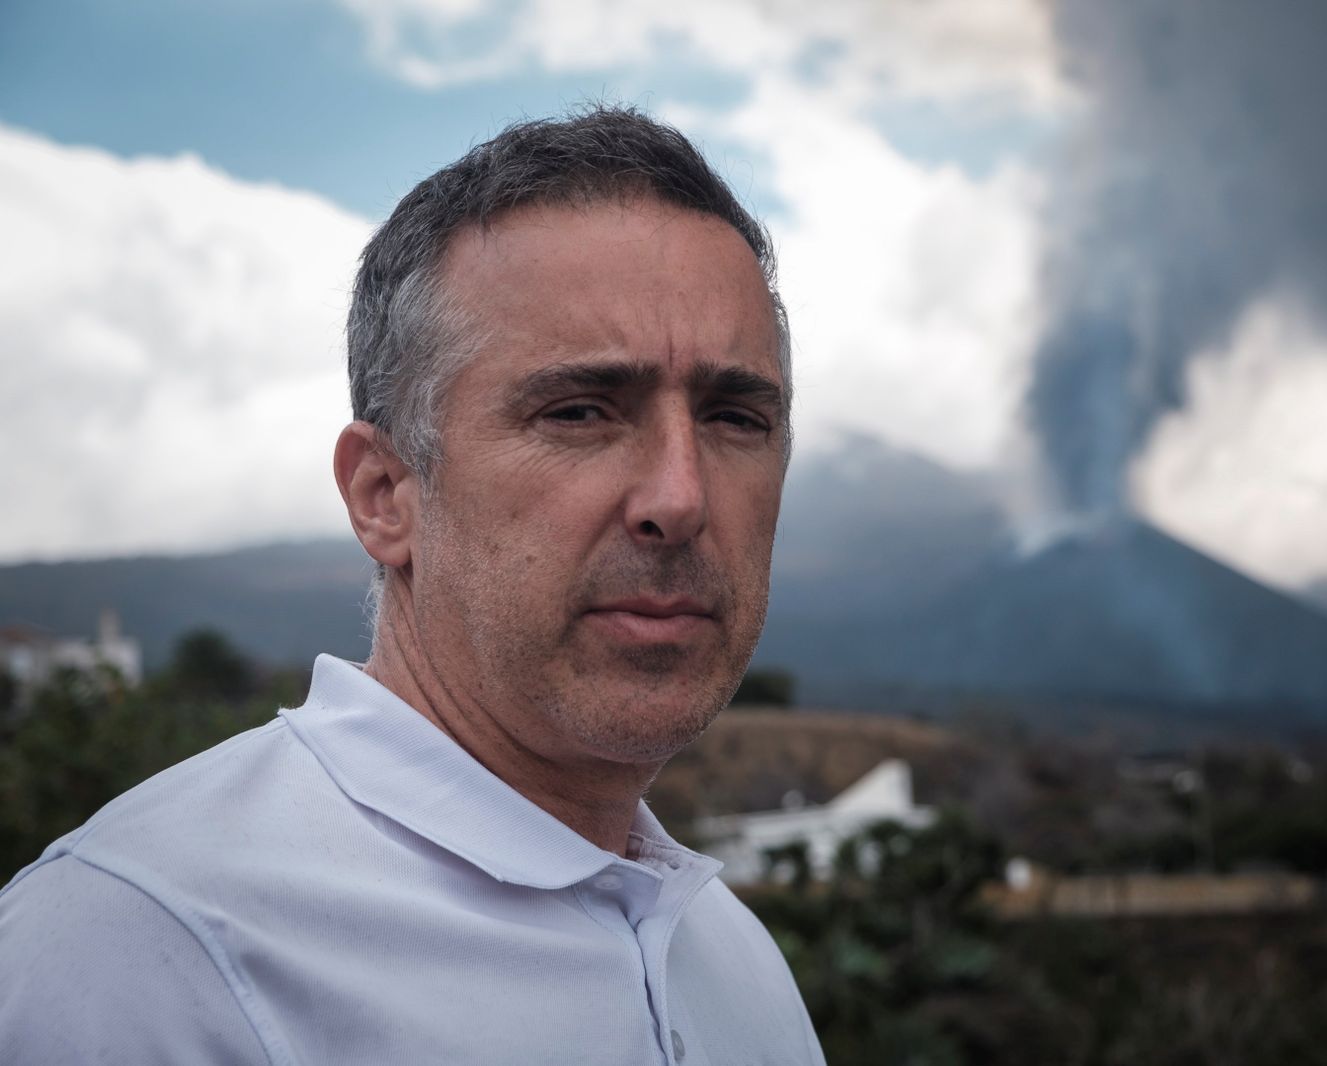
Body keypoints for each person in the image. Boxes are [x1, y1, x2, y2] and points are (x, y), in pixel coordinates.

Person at [0, 107, 824, 1065]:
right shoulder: (139, 953)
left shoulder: (731, 960)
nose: (680, 498)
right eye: (581, 411)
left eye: (734, 417)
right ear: (384, 495)